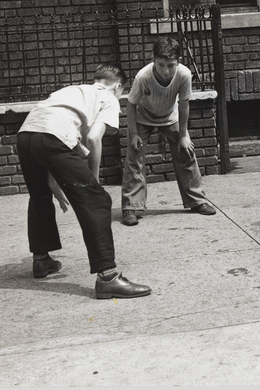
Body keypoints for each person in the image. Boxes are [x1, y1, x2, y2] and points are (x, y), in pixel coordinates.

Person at [17, 63, 151, 299]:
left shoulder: (73, 91)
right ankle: (108, 277)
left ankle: (41, 260)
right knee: (97, 202)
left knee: (39, 196)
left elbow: (53, 140)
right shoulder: (108, 98)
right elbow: (92, 137)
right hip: (51, 136)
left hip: (26, 134)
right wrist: (94, 182)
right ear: (118, 87)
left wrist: (55, 183)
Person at [121, 36, 216, 226]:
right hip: (143, 117)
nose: (165, 71)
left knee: (186, 152)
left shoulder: (184, 74)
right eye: (161, 65)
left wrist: (183, 135)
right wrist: (134, 134)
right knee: (134, 157)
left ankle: (197, 200)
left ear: (178, 62)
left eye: (170, 65)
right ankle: (131, 207)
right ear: (153, 60)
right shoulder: (143, 76)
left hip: (170, 117)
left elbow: (184, 105)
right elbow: (130, 104)